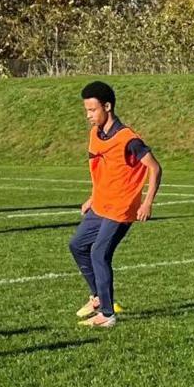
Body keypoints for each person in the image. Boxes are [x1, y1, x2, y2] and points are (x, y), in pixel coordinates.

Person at [72, 80, 160, 328]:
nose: (88, 115)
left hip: (121, 207)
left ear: (107, 107)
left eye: (92, 110)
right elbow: (101, 170)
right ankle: (98, 297)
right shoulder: (95, 134)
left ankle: (108, 314)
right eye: (86, 110)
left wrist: (147, 202)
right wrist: (92, 196)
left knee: (99, 253)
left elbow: (155, 168)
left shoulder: (128, 139)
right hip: (101, 204)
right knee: (77, 245)